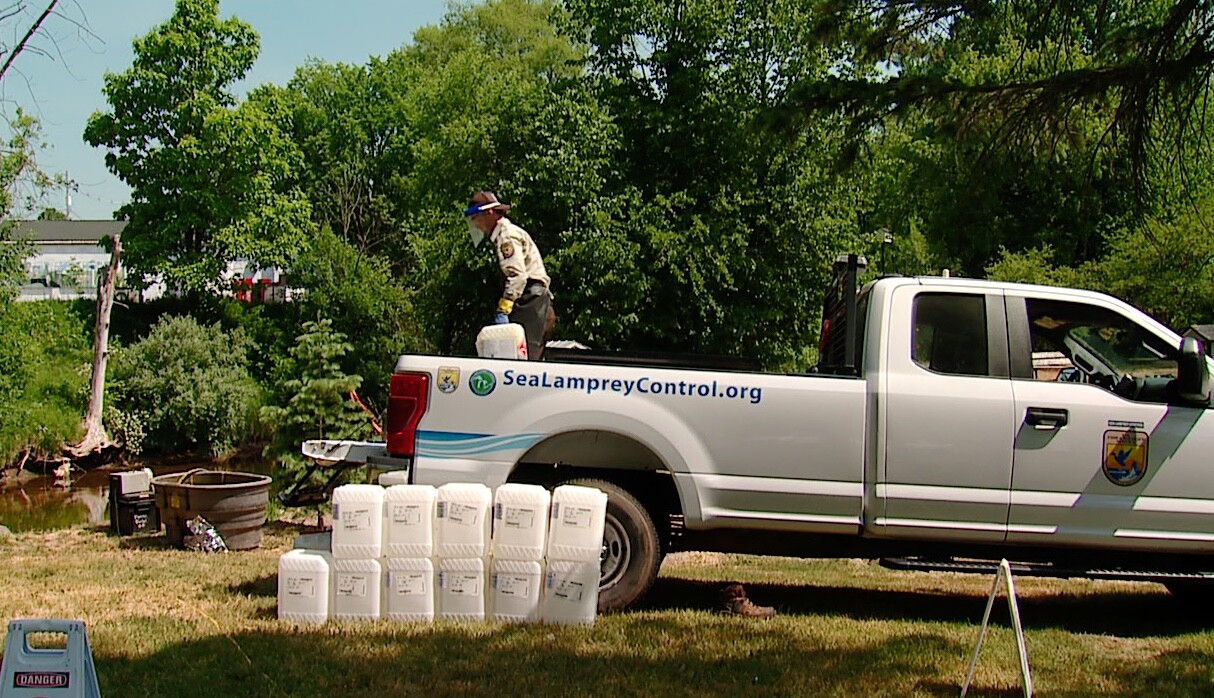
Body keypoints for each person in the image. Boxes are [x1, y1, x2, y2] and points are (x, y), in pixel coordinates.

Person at [464, 191, 555, 360]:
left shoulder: (506, 236)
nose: (475, 225)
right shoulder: (505, 233)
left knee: (521, 359)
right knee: (528, 356)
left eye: (476, 218)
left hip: (529, 300)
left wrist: (505, 306)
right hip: (534, 298)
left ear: (489, 213)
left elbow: (517, 276)